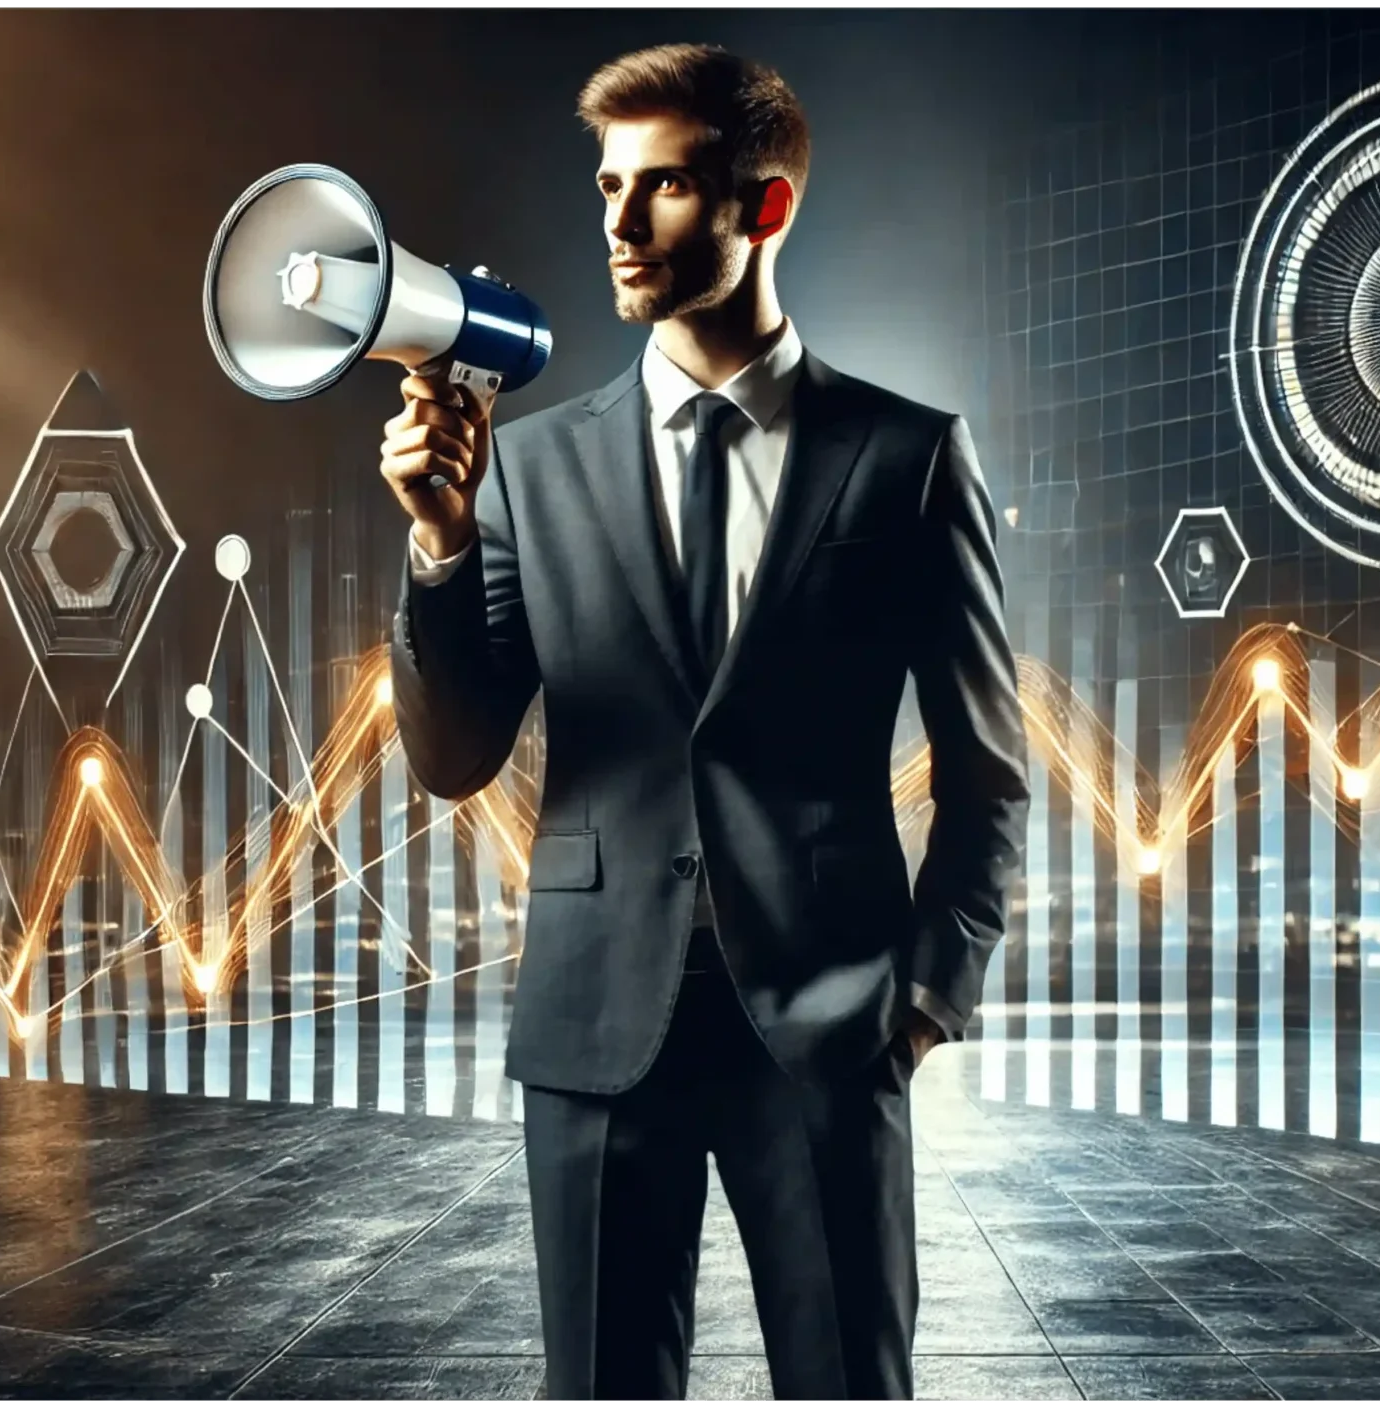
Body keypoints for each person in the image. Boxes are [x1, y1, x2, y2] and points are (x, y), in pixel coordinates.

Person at [380, 42, 1029, 1407]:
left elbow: (986, 776)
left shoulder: (906, 457)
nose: (617, 225)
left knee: (848, 1386)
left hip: (828, 1021)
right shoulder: (527, 469)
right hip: (594, 1031)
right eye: (607, 185)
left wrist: (922, 1003)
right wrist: (440, 544)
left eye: (663, 186)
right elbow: (453, 758)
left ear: (764, 205)